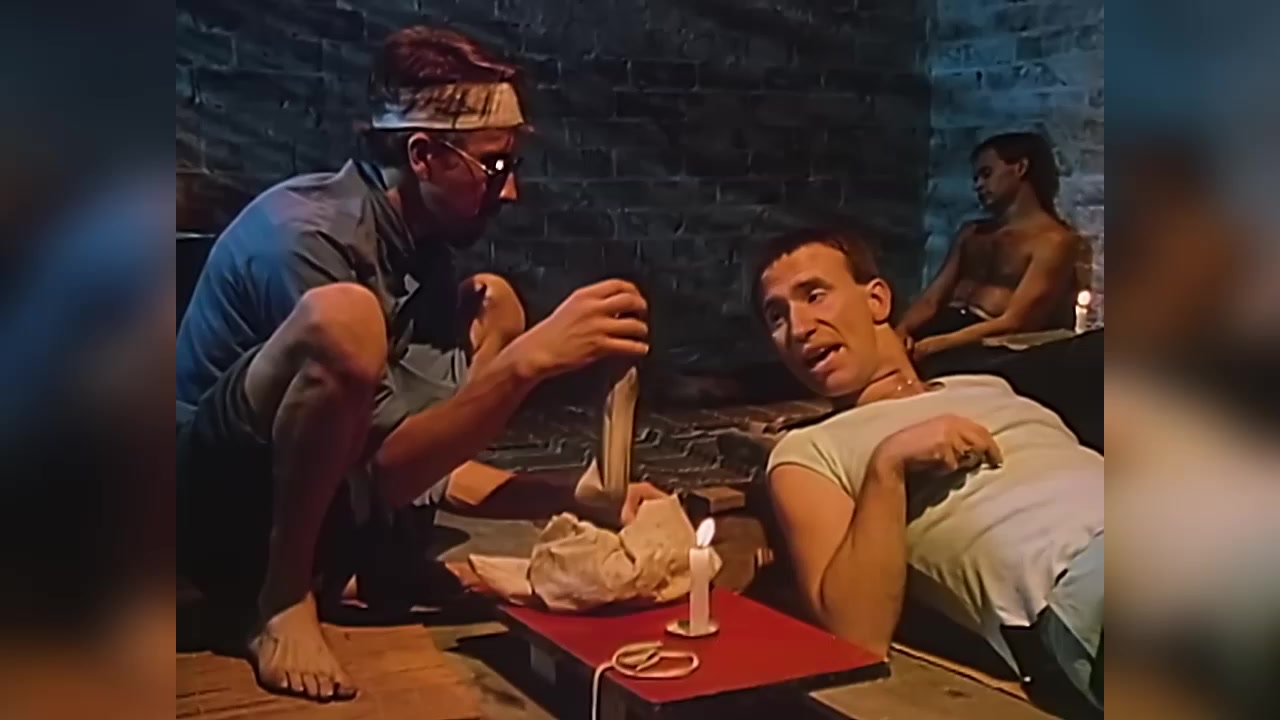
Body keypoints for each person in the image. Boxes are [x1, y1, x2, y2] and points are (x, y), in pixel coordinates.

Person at [176, 26, 663, 702]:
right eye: (495, 165)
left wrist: (569, 494)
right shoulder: (303, 236)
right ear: (425, 156)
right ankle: (281, 599)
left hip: (326, 499)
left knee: (493, 302)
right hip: (207, 515)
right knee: (345, 318)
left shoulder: (420, 248)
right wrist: (525, 365)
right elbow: (385, 470)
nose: (511, 191)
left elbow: (413, 464)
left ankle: (370, 565)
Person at [754, 228, 1103, 711]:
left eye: (815, 296)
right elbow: (855, 635)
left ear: (876, 300)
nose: (798, 328)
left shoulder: (987, 385)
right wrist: (887, 467)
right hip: (1081, 576)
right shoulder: (809, 451)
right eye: (777, 316)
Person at [896, 132, 1084, 371]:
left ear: (1020, 168)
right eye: (976, 178)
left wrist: (936, 345)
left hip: (991, 346)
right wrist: (900, 332)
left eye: (986, 174)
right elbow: (932, 298)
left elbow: (1017, 321)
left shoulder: (1053, 241)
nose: (978, 185)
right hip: (943, 328)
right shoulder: (971, 233)